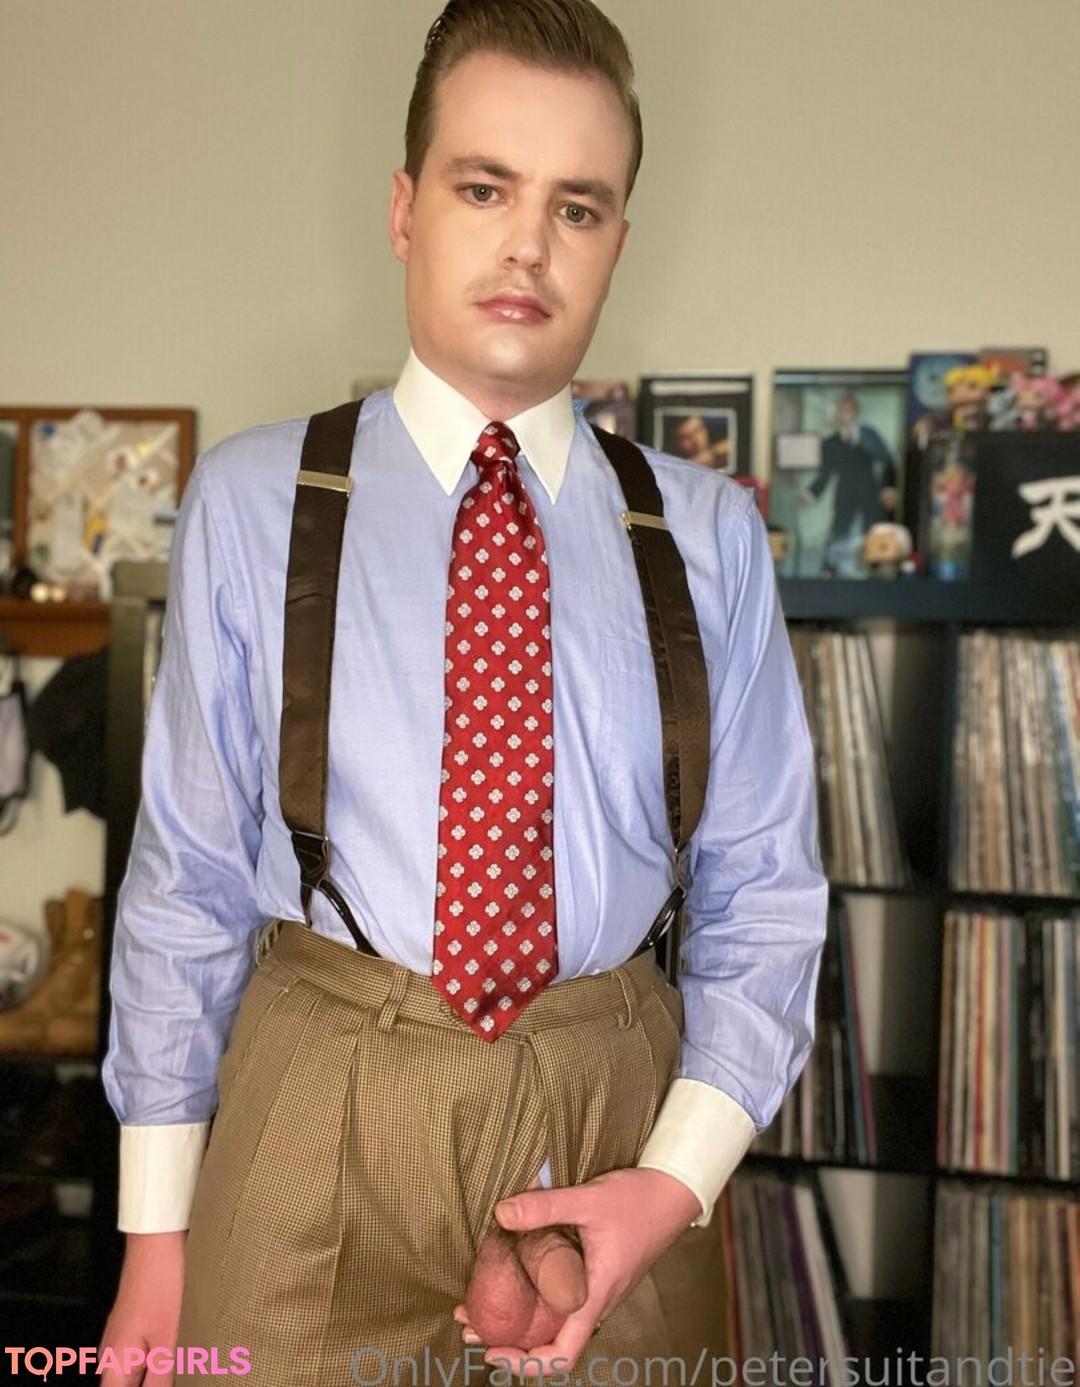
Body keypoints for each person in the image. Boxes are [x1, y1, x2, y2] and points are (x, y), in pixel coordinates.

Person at [100, 2, 827, 1383]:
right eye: (484, 188)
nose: (528, 245)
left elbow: (765, 890)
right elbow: (187, 879)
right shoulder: (255, 502)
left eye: (578, 207)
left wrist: (670, 1180)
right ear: (405, 209)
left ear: (616, 239)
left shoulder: (707, 532)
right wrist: (155, 1231)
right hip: (321, 1088)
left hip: (613, 1103)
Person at [799, 394, 898, 577]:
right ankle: (829, 570)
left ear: (856, 412)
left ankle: (876, 570)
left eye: (849, 410)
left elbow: (887, 459)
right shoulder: (832, 443)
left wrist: (889, 489)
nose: (846, 415)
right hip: (846, 493)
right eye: (843, 410)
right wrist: (810, 494)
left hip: (869, 491)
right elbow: (826, 474)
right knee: (839, 530)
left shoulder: (868, 435)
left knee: (873, 531)